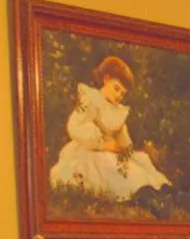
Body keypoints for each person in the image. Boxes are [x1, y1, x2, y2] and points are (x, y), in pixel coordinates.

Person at [49, 55, 170, 205]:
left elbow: (120, 132)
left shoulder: (117, 111)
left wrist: (124, 148)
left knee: (140, 160)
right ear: (106, 79)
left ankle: (166, 192)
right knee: (108, 164)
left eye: (122, 93)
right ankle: (145, 197)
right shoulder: (91, 100)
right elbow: (75, 125)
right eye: (116, 88)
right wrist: (102, 144)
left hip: (111, 150)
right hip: (90, 150)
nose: (119, 95)